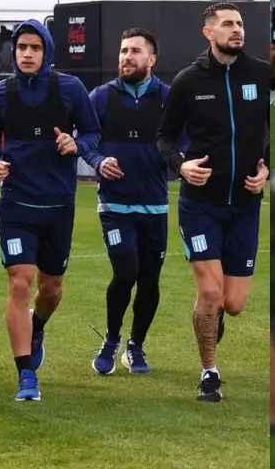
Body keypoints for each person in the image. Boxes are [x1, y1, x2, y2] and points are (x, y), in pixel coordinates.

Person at [0, 19, 100, 401]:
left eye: (35, 47)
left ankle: (38, 325)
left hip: (59, 205)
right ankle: (26, 375)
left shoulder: (71, 88)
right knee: (19, 282)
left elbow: (93, 134)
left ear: (47, 52)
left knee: (51, 290)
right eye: (21, 48)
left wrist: (75, 145)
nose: (27, 54)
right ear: (13, 52)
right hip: (15, 203)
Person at [156, 2, 270, 402]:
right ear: (209, 32)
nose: (237, 29)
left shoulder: (260, 73)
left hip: (246, 205)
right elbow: (164, 137)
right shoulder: (188, 80)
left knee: (233, 303)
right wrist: (182, 166)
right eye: (227, 24)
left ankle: (215, 312)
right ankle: (209, 373)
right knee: (208, 293)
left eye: (240, 23)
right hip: (200, 204)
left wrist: (267, 168)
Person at [82, 28, 186, 376]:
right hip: (115, 206)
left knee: (150, 281)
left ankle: (135, 346)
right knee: (126, 272)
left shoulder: (169, 98)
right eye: (123, 50)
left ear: (151, 59)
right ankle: (111, 340)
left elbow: (183, 141)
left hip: (155, 206)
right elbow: (86, 139)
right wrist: (98, 161)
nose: (126, 57)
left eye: (135, 51)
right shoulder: (101, 97)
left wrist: (182, 162)